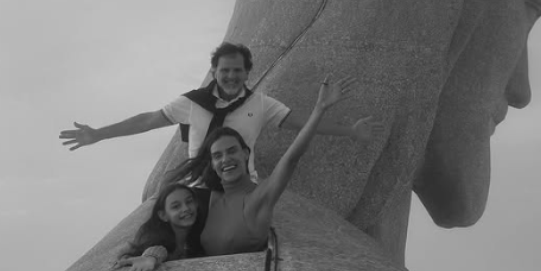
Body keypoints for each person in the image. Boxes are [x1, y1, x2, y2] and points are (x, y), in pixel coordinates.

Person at [59, 42, 383, 179]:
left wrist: (350, 131)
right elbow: (147, 120)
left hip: (241, 185)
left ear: (247, 73)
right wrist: (99, 134)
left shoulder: (260, 104)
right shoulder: (192, 102)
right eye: (224, 70)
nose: (231, 76)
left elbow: (302, 122)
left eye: (237, 71)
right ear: (214, 71)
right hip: (198, 184)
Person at [147, 75, 352, 263]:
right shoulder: (210, 199)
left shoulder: (259, 197)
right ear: (211, 163)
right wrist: (154, 254)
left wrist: (319, 110)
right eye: (217, 156)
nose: (226, 159)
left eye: (232, 151)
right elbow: (166, 196)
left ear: (245, 154)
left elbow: (291, 158)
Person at [110, 183, 208, 271]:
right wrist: (150, 258)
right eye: (176, 206)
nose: (186, 208)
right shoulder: (155, 239)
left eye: (189, 201)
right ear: (163, 215)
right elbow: (158, 250)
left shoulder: (199, 236)